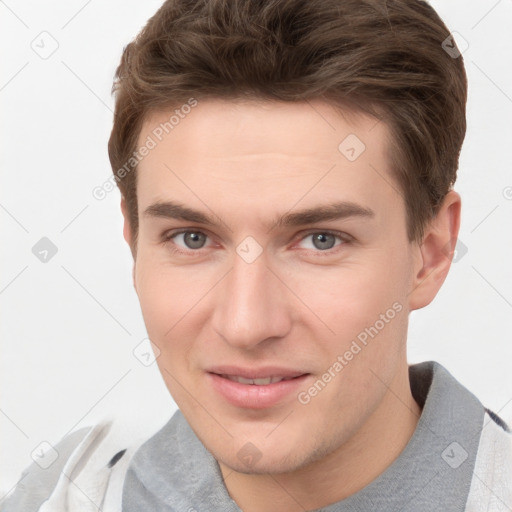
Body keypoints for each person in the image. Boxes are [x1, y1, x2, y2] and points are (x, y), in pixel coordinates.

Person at [3, 0, 511, 511]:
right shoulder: (61, 496)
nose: (246, 325)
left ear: (431, 253)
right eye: (192, 238)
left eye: (321, 240)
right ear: (134, 242)